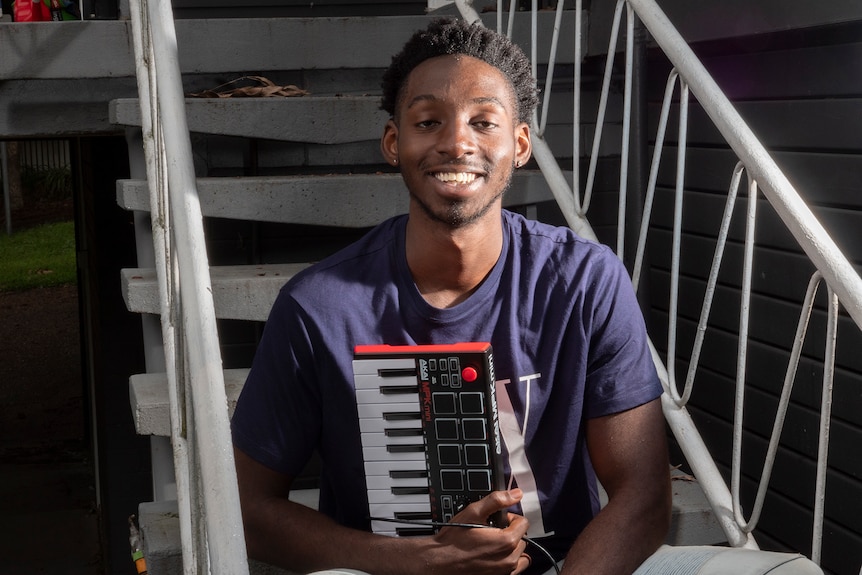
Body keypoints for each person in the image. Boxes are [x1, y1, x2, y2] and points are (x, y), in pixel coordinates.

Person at [231, 17, 671, 575]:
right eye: (428, 120)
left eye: (483, 122)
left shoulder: (586, 281)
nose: (457, 141)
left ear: (519, 146)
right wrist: (412, 560)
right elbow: (247, 510)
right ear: (395, 143)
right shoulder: (318, 307)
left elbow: (645, 497)